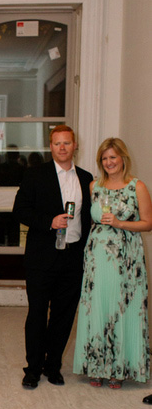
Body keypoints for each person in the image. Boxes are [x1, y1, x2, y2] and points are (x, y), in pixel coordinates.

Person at [13, 125, 93, 389]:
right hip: (41, 257)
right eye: (57, 143)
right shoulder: (35, 175)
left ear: (75, 145)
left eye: (67, 143)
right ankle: (33, 369)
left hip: (73, 257)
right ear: (51, 147)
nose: (62, 148)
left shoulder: (86, 178)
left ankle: (53, 366)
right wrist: (49, 221)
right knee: (37, 314)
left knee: (64, 314)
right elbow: (20, 211)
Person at [73, 138, 152, 388]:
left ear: (123, 159)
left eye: (113, 157)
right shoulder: (94, 186)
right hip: (97, 255)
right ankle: (96, 365)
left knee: (122, 307)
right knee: (97, 306)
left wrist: (119, 223)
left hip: (127, 257)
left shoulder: (136, 186)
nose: (109, 162)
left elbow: (148, 223)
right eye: (104, 158)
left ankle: (119, 368)